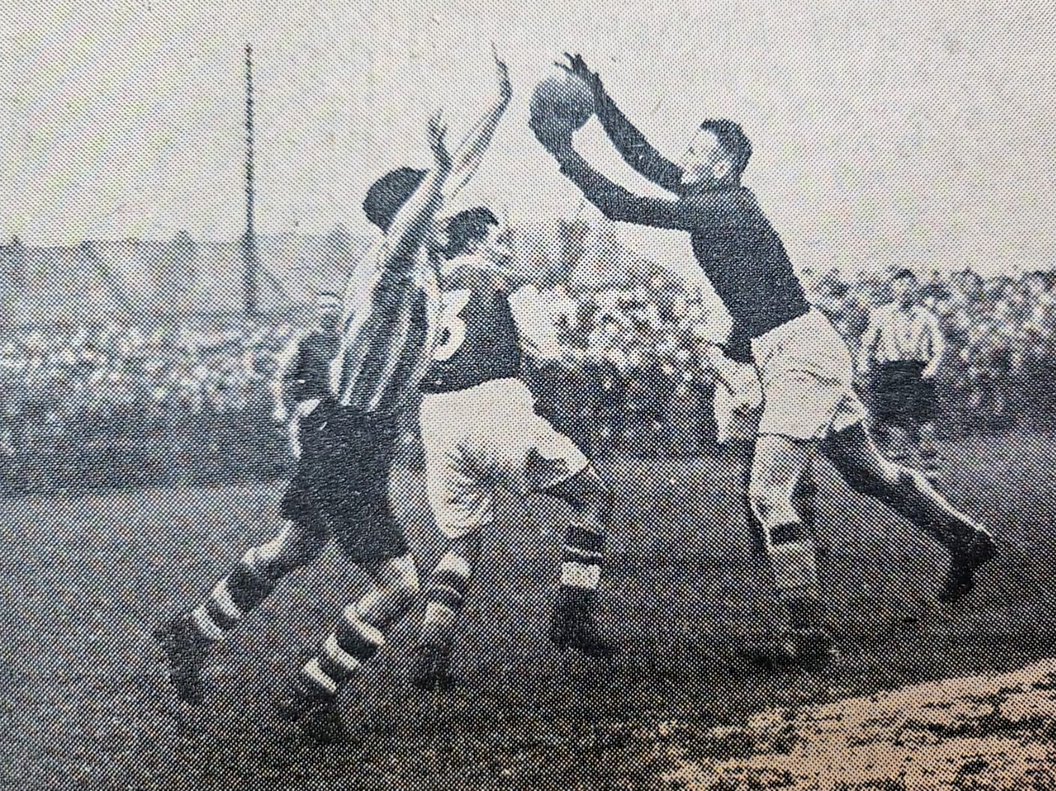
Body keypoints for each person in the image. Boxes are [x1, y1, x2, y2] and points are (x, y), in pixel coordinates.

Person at [531, 53, 997, 671]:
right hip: (794, 347)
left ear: (722, 163)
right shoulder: (716, 195)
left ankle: (805, 635)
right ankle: (966, 539)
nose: (683, 160)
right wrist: (602, 95)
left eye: (696, 152)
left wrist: (566, 152)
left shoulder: (722, 205)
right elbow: (643, 160)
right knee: (866, 471)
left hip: (798, 354)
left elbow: (623, 203)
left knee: (771, 493)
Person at [153, 53, 512, 742]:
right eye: (432, 206)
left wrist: (496, 104)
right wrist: (434, 175)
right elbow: (419, 215)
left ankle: (194, 632)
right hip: (351, 435)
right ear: (410, 214)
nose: (445, 213)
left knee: (294, 544)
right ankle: (313, 692)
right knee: (401, 585)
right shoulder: (393, 265)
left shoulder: (421, 256)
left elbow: (456, 174)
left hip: (348, 432)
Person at [409, 206, 616, 691]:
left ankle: (431, 646)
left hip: (435, 415)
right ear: (478, 242)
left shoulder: (429, 289)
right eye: (499, 238)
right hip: (492, 403)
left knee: (463, 542)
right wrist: (583, 356)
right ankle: (574, 609)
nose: (507, 247)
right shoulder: (507, 281)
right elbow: (548, 351)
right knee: (593, 497)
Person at [859, 269, 947, 486]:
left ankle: (932, 481)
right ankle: (904, 484)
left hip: (919, 373)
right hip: (892, 374)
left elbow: (939, 348)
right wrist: (863, 369)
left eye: (909, 285)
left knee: (926, 428)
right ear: (893, 289)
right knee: (896, 431)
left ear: (915, 288)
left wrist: (931, 369)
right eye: (900, 286)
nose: (905, 290)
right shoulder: (880, 314)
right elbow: (867, 345)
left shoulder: (926, 316)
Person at [271, 292, 342, 460]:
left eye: (333, 307)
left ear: (340, 311)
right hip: (312, 408)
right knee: (311, 461)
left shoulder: (345, 340)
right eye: (323, 307)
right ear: (316, 312)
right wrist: (280, 407)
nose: (328, 311)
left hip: (342, 409)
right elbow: (282, 376)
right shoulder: (304, 341)